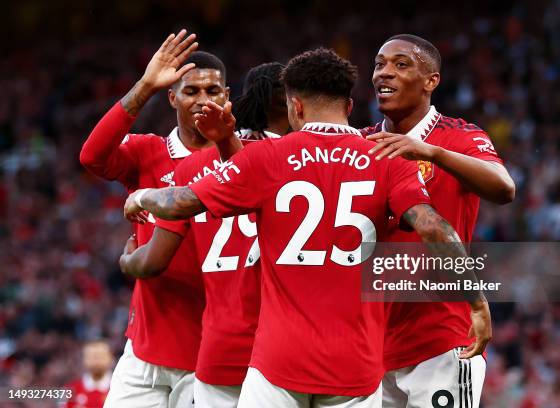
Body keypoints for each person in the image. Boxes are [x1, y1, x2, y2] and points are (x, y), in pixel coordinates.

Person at [122, 48, 490, 408]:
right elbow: (436, 228)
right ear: (348, 107)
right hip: (356, 363)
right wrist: (476, 302)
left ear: (295, 107)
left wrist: (142, 198)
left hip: (278, 361)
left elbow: (183, 201)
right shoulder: (389, 159)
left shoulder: (266, 158)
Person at [119, 62, 289, 408]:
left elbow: (152, 261)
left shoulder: (195, 167)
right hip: (289, 348)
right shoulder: (297, 166)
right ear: (294, 105)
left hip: (219, 347)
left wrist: (140, 203)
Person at [79, 29, 232, 407]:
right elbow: (92, 157)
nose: (202, 100)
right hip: (144, 350)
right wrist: (144, 86)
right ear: (172, 97)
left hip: (208, 355)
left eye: (213, 91)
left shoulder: (241, 160)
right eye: (191, 91)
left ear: (227, 98)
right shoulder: (148, 152)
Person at [363, 34, 514, 408]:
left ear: (431, 81)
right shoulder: (361, 143)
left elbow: (503, 187)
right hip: (369, 339)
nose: (385, 73)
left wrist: (432, 152)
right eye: (380, 64)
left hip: (442, 336)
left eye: (401, 65)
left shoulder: (459, 137)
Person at [63, 340, 114, 408]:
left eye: (100, 356)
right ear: (84, 359)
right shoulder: (69, 389)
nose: (96, 361)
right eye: (91, 356)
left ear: (110, 358)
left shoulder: (120, 387)